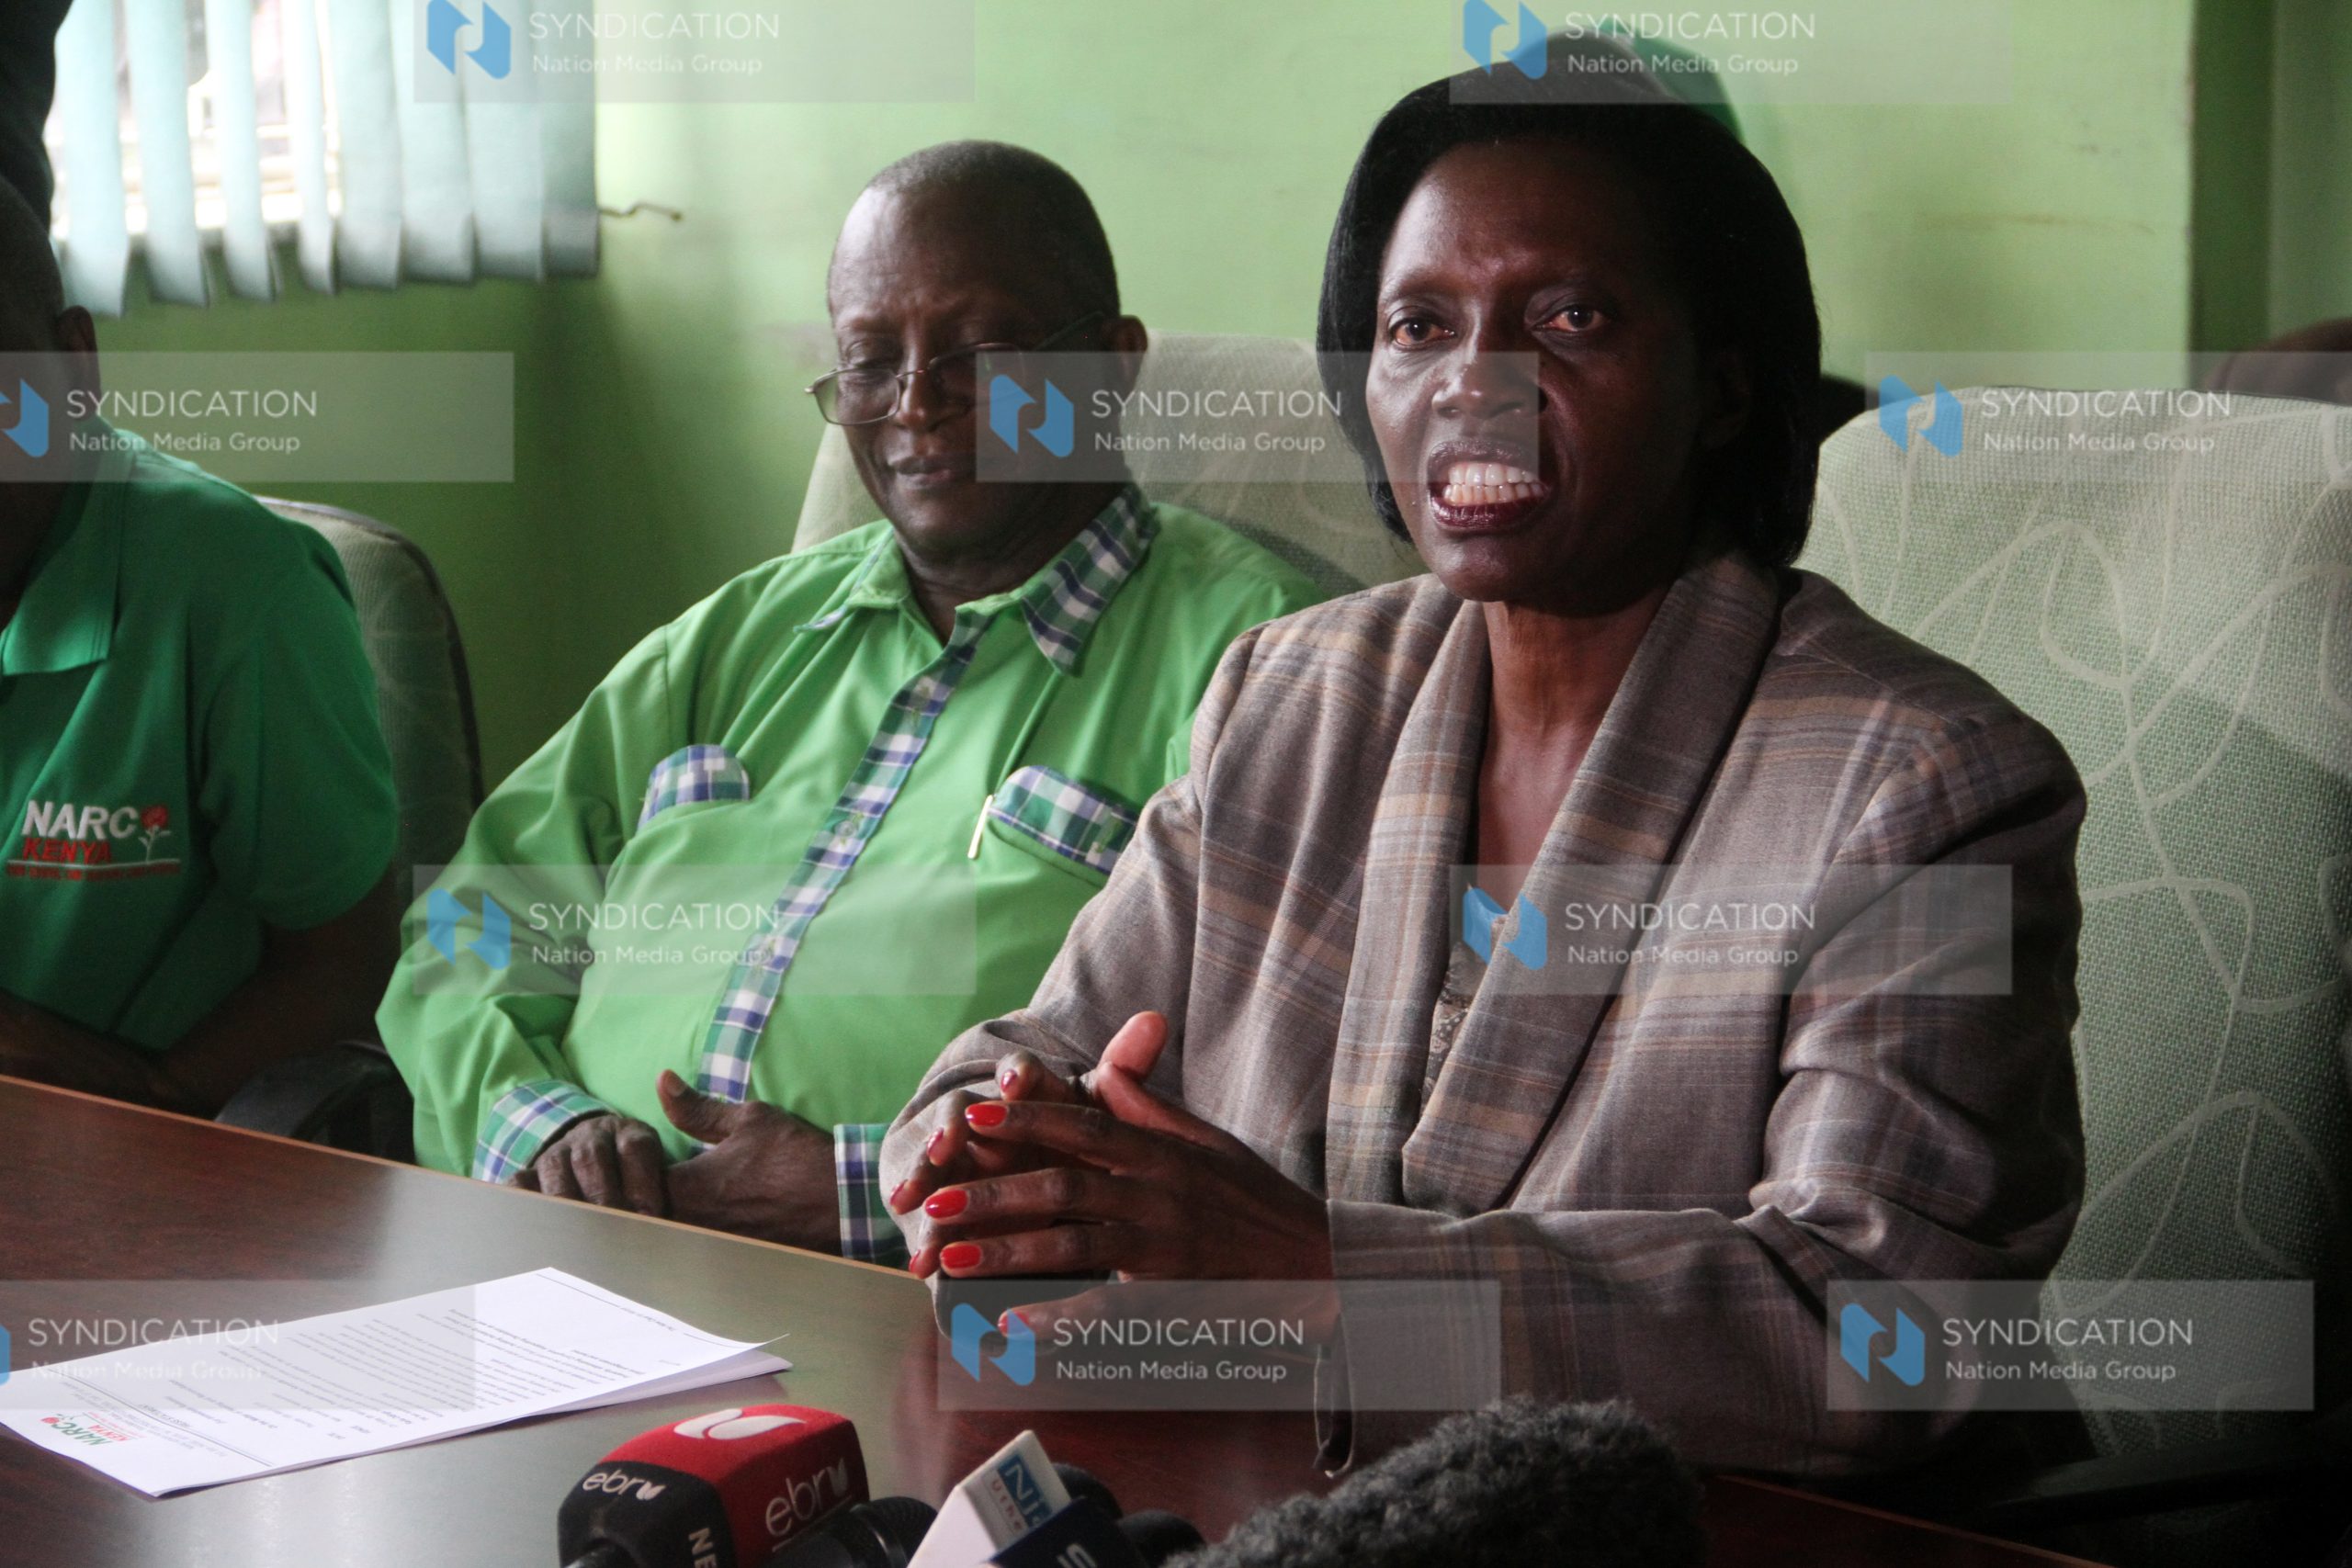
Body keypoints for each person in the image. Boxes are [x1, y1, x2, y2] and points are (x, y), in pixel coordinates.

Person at [881, 65, 2087, 1474]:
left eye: (1570, 319)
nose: (1474, 384)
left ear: (1724, 381)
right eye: (1417, 326)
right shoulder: (1293, 690)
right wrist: (987, 1162)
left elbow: (1878, 1323)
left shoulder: (1924, 782)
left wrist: (1314, 1266)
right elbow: (1038, 1051)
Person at [380, 141, 1323, 1263]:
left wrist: (867, 1187)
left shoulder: (1264, 657)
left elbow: (1266, 1084)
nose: (916, 407)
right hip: (571, 1254)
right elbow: (474, 922)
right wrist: (542, 1123)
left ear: (1111, 369)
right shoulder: (734, 638)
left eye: (982, 351)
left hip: (954, 1312)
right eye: (871, 361)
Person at [0, 178, 400, 1113]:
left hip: (131, 1158)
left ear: (73, 369)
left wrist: (153, 1097)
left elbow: (345, 962)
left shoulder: (232, 586)